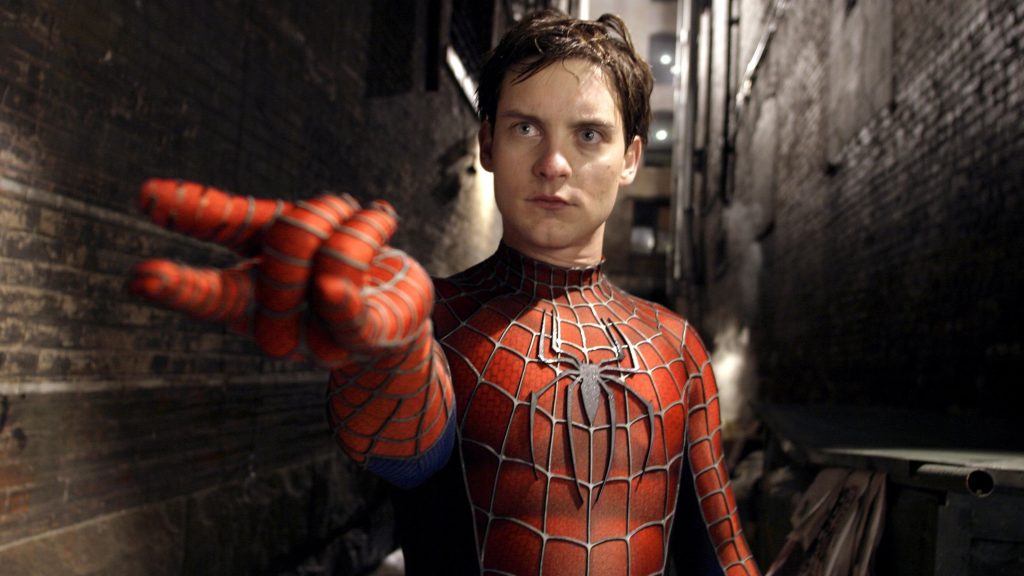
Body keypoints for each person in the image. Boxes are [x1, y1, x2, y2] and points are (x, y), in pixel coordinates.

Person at [128, 9, 760, 576]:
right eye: (525, 128)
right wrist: (389, 358)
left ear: (630, 158)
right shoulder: (437, 319)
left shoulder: (677, 349)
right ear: (486, 143)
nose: (554, 163)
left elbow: (722, 554)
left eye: (589, 135)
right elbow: (409, 456)